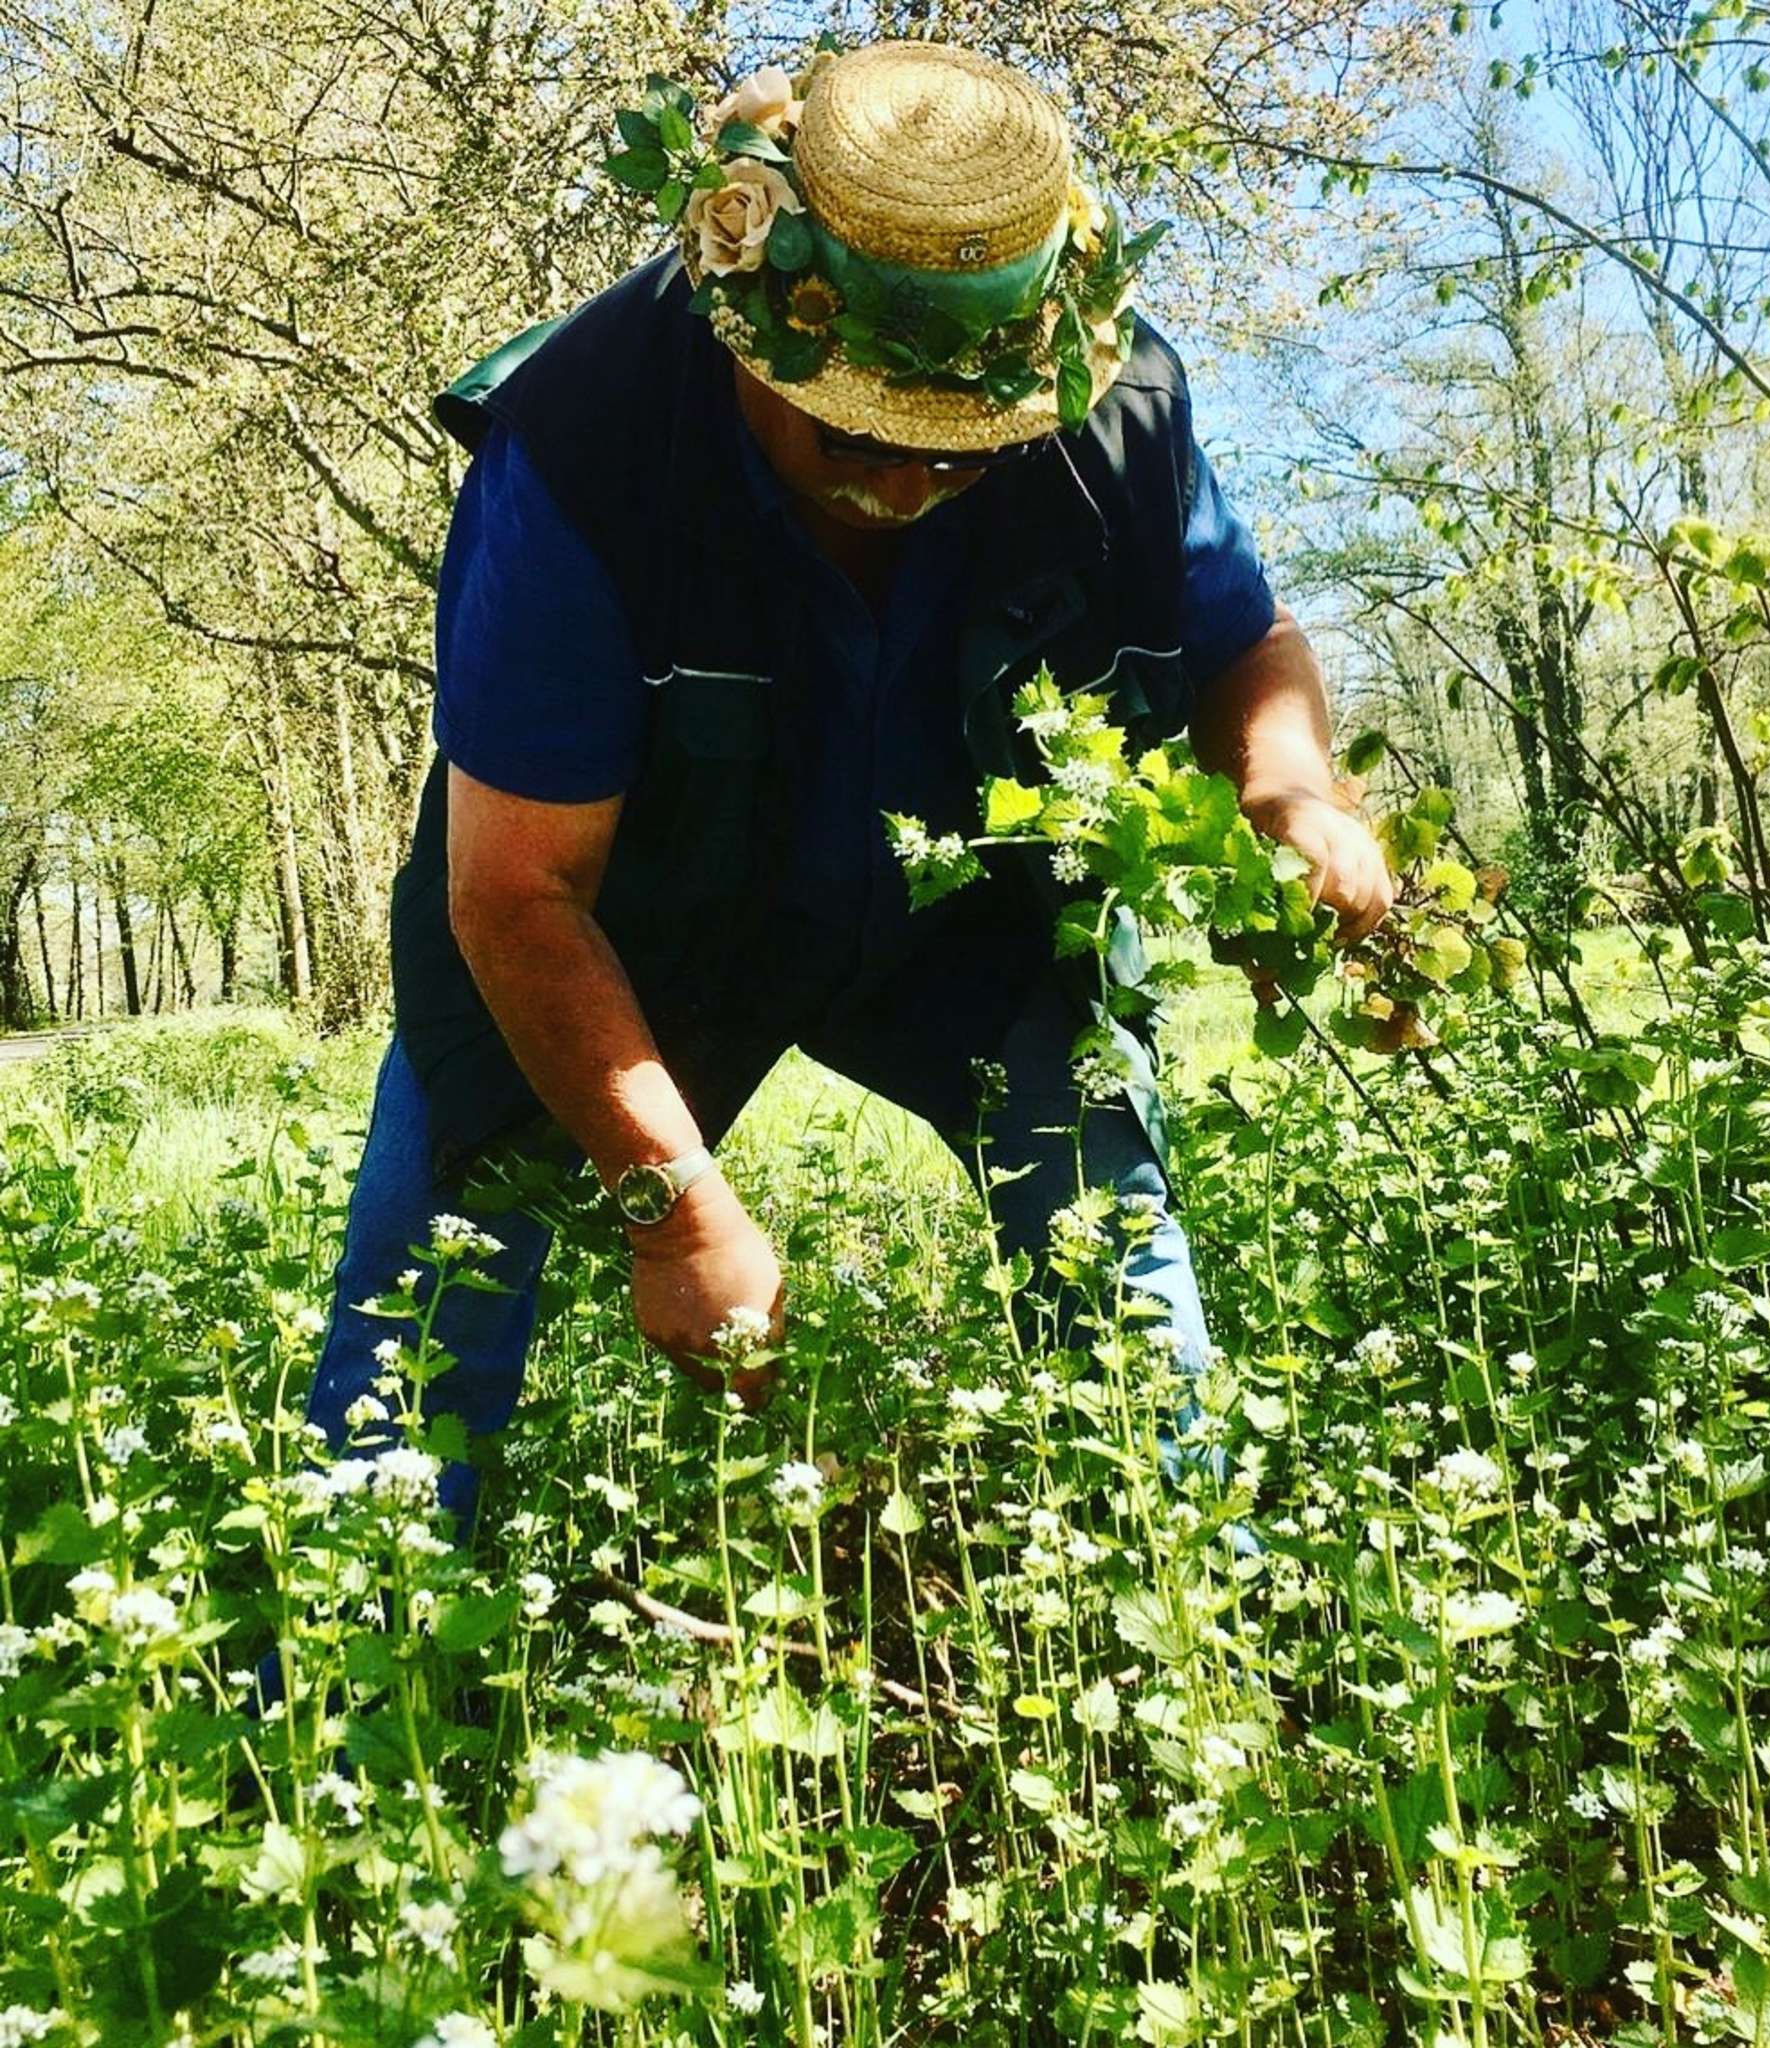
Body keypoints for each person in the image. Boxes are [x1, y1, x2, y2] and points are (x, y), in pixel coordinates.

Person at [297, 37, 1394, 1550]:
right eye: (862, 432)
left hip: (974, 916)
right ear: (749, 336)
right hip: (624, 923)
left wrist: (1295, 795)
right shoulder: (581, 449)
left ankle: (1195, 1607)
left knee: (1119, 1264)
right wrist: (674, 1212)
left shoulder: (1120, 407)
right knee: (421, 1312)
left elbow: (1243, 636)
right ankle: (353, 1659)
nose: (906, 484)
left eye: (962, 450)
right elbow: (516, 892)